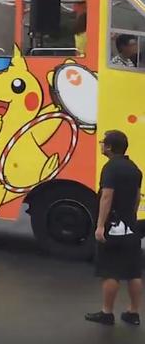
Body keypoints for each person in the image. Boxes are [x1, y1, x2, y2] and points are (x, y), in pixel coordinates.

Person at [86, 130, 143, 327]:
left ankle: (106, 313)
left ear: (109, 147)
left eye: (102, 142)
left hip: (113, 227)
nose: (101, 144)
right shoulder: (134, 168)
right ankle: (133, 313)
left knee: (110, 270)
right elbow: (137, 197)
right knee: (134, 272)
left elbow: (107, 196)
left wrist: (101, 225)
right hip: (131, 226)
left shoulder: (111, 168)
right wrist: (131, 218)